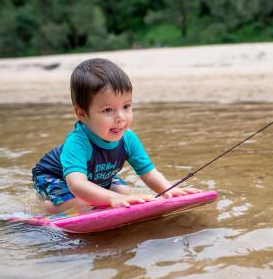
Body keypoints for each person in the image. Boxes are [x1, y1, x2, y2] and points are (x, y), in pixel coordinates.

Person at [32, 58, 200, 214]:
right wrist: (112, 199)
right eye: (108, 110)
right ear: (81, 113)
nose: (121, 117)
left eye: (126, 106)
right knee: (82, 203)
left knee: (124, 192)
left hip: (95, 176)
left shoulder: (128, 139)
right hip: (54, 175)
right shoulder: (77, 142)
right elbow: (77, 184)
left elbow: (148, 173)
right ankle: (45, 206)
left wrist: (168, 190)